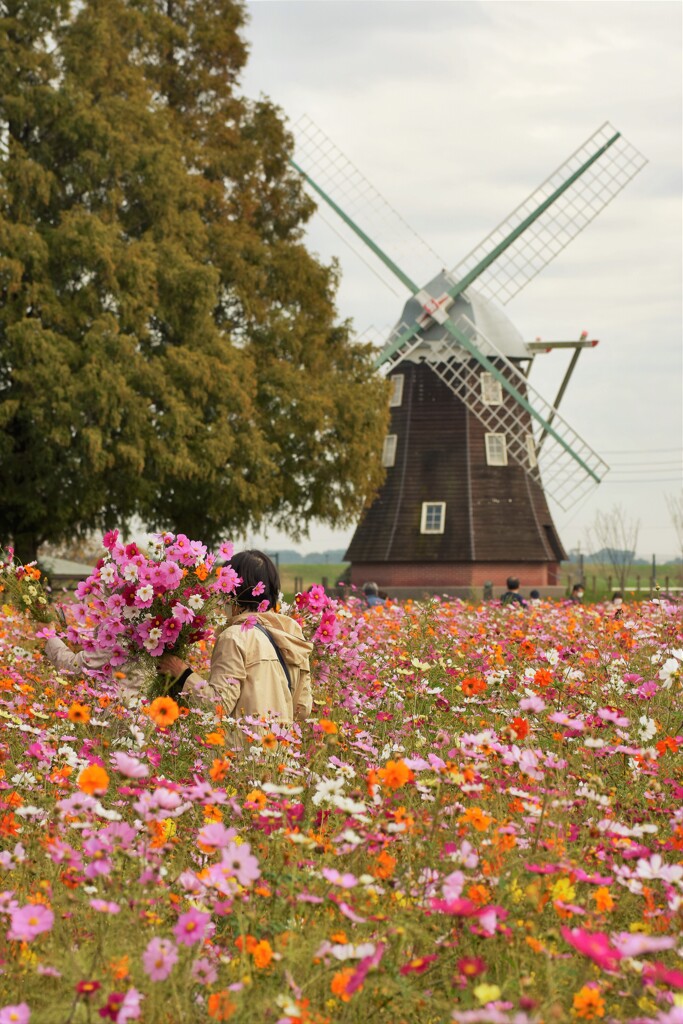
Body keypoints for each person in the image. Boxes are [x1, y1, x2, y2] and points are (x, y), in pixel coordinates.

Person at [159, 550, 312, 723]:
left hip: (243, 747)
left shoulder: (235, 636)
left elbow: (219, 705)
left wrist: (183, 674)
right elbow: (303, 709)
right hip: (279, 746)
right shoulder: (290, 634)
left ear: (233, 590)